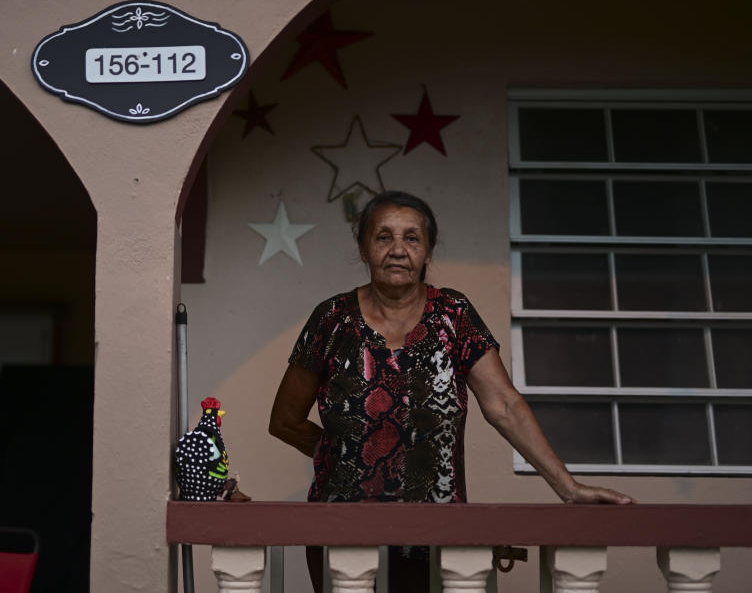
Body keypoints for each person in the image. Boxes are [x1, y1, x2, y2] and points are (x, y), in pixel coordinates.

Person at [268, 191, 634, 593]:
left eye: (412, 238)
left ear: (428, 251)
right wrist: (342, 454)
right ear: (363, 247)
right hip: (342, 533)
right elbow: (284, 421)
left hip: (436, 535)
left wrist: (568, 488)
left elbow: (505, 406)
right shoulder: (332, 318)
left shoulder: (453, 315)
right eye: (383, 237)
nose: (398, 250)